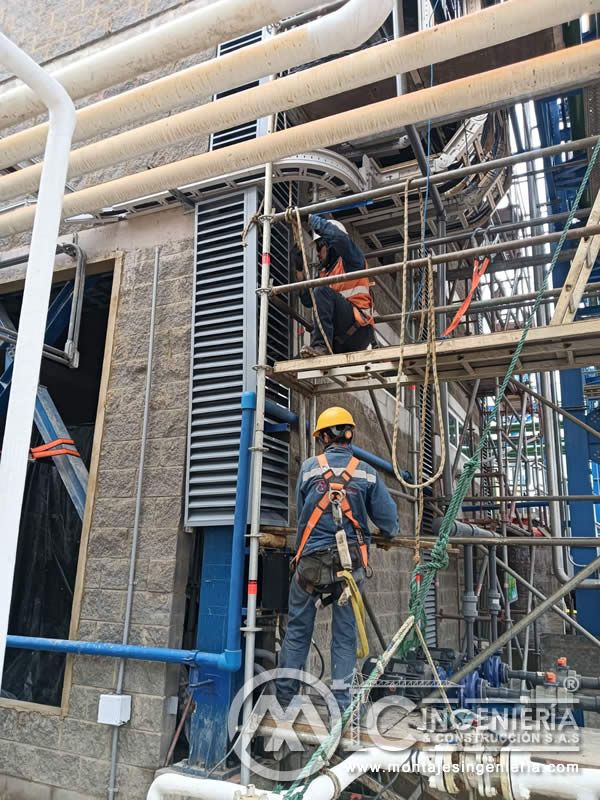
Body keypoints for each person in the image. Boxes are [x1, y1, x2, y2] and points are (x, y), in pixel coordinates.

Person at [276, 406, 399, 711]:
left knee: (297, 633)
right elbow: (390, 522)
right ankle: (342, 705)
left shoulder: (308, 469)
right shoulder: (367, 471)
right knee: (344, 638)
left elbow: (303, 512)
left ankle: (283, 699)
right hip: (348, 570)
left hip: (310, 567)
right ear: (349, 434)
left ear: (324, 437)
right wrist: (385, 532)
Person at [297, 215, 374, 358]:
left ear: (331, 245)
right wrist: (299, 272)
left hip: (358, 331)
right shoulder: (324, 276)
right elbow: (307, 300)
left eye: (320, 247)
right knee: (293, 363)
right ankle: (320, 346)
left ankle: (321, 345)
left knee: (321, 290)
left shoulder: (351, 261)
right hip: (339, 339)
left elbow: (340, 240)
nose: (318, 254)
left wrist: (311, 220)